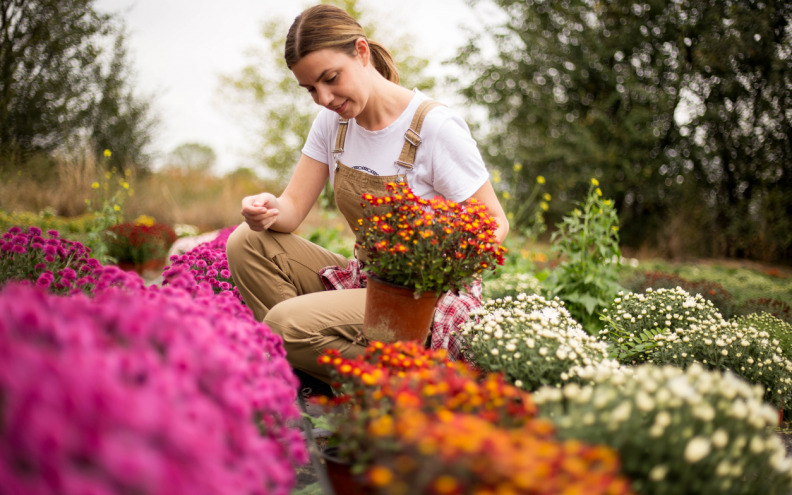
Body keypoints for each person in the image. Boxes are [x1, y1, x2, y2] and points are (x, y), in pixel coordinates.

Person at [226, 4, 508, 389]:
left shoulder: (434, 127)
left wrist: (434, 271)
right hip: (367, 280)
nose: (323, 98)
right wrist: (267, 209)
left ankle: (422, 385)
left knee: (283, 324)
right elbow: (291, 210)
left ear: (361, 52)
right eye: (310, 89)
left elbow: (495, 222)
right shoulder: (333, 123)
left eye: (330, 79)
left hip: (420, 300)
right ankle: (324, 362)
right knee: (247, 242)